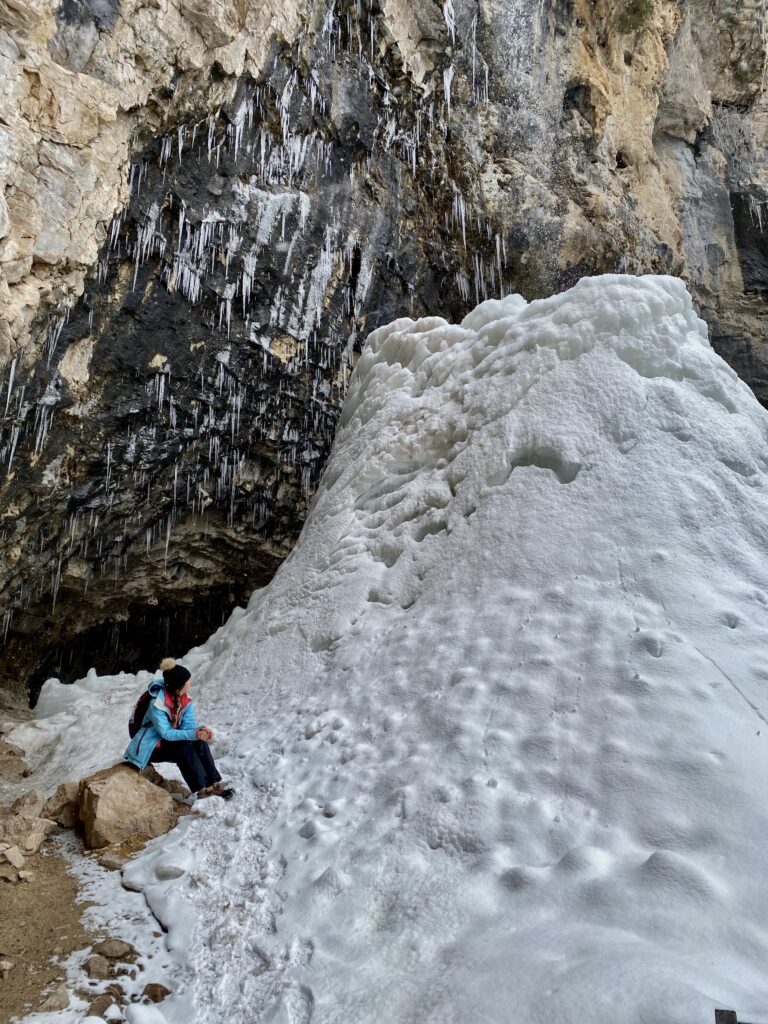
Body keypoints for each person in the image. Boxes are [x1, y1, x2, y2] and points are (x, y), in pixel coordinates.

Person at [124, 657, 234, 802]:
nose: (191, 682)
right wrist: (193, 734)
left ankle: (213, 784)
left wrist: (200, 732)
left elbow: (188, 728)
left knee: (198, 742)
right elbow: (166, 733)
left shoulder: (184, 700)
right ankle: (202, 790)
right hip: (149, 746)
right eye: (188, 680)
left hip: (165, 740)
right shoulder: (156, 704)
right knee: (183, 748)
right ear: (178, 686)